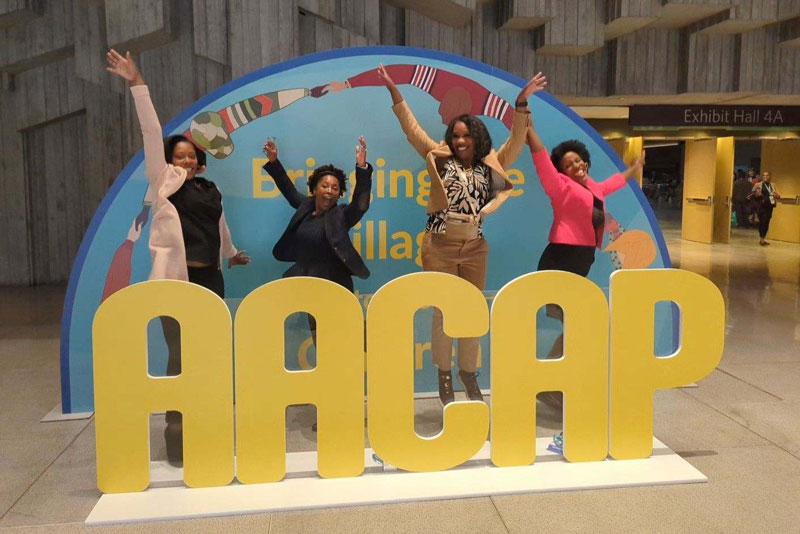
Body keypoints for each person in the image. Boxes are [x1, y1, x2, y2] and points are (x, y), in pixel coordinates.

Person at [106, 50, 251, 465]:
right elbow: (151, 132)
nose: (185, 160)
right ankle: (176, 431)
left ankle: (206, 424)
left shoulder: (210, 190)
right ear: (169, 160)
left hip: (210, 282)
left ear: (199, 161)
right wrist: (138, 83)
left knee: (207, 355)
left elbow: (218, 227)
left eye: (191, 156)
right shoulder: (163, 182)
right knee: (178, 355)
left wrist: (231, 254)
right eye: (179, 155)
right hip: (175, 283)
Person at [378, 63, 542, 406]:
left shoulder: (492, 163)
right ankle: (444, 373)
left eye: (467, 135)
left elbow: (517, 139)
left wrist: (521, 104)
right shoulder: (438, 156)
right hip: (439, 245)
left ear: (477, 137)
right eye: (456, 135)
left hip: (474, 247)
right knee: (444, 312)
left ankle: (469, 372)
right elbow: (412, 129)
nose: (461, 140)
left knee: (471, 312)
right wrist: (395, 92)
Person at [523, 88, 644, 411]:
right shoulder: (559, 187)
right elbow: (537, 153)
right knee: (578, 323)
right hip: (561, 259)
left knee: (579, 325)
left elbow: (613, 183)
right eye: (568, 165)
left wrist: (634, 169)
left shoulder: (593, 187)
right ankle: (547, 385)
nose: (575, 166)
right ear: (560, 172)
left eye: (578, 161)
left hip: (581, 261)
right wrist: (525, 116)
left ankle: (552, 384)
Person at [261, 136, 372, 329]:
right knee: (316, 335)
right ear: (315, 189)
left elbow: (361, 205)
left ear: (339, 194)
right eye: (325, 186)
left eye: (335, 188)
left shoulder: (342, 215)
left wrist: (362, 170)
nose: (329, 190)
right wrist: (273, 161)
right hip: (307, 282)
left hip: (334, 284)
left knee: (339, 335)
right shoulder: (304, 206)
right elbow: (288, 189)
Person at [753, 170, 780, 245]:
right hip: (760, 206)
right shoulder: (758, 184)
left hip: (769, 206)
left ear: (770, 176)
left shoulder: (773, 185)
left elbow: (778, 195)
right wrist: (757, 194)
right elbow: (752, 194)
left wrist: (776, 195)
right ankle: (761, 238)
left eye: (767, 175)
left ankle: (763, 238)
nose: (765, 177)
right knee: (761, 222)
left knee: (766, 222)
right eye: (764, 175)